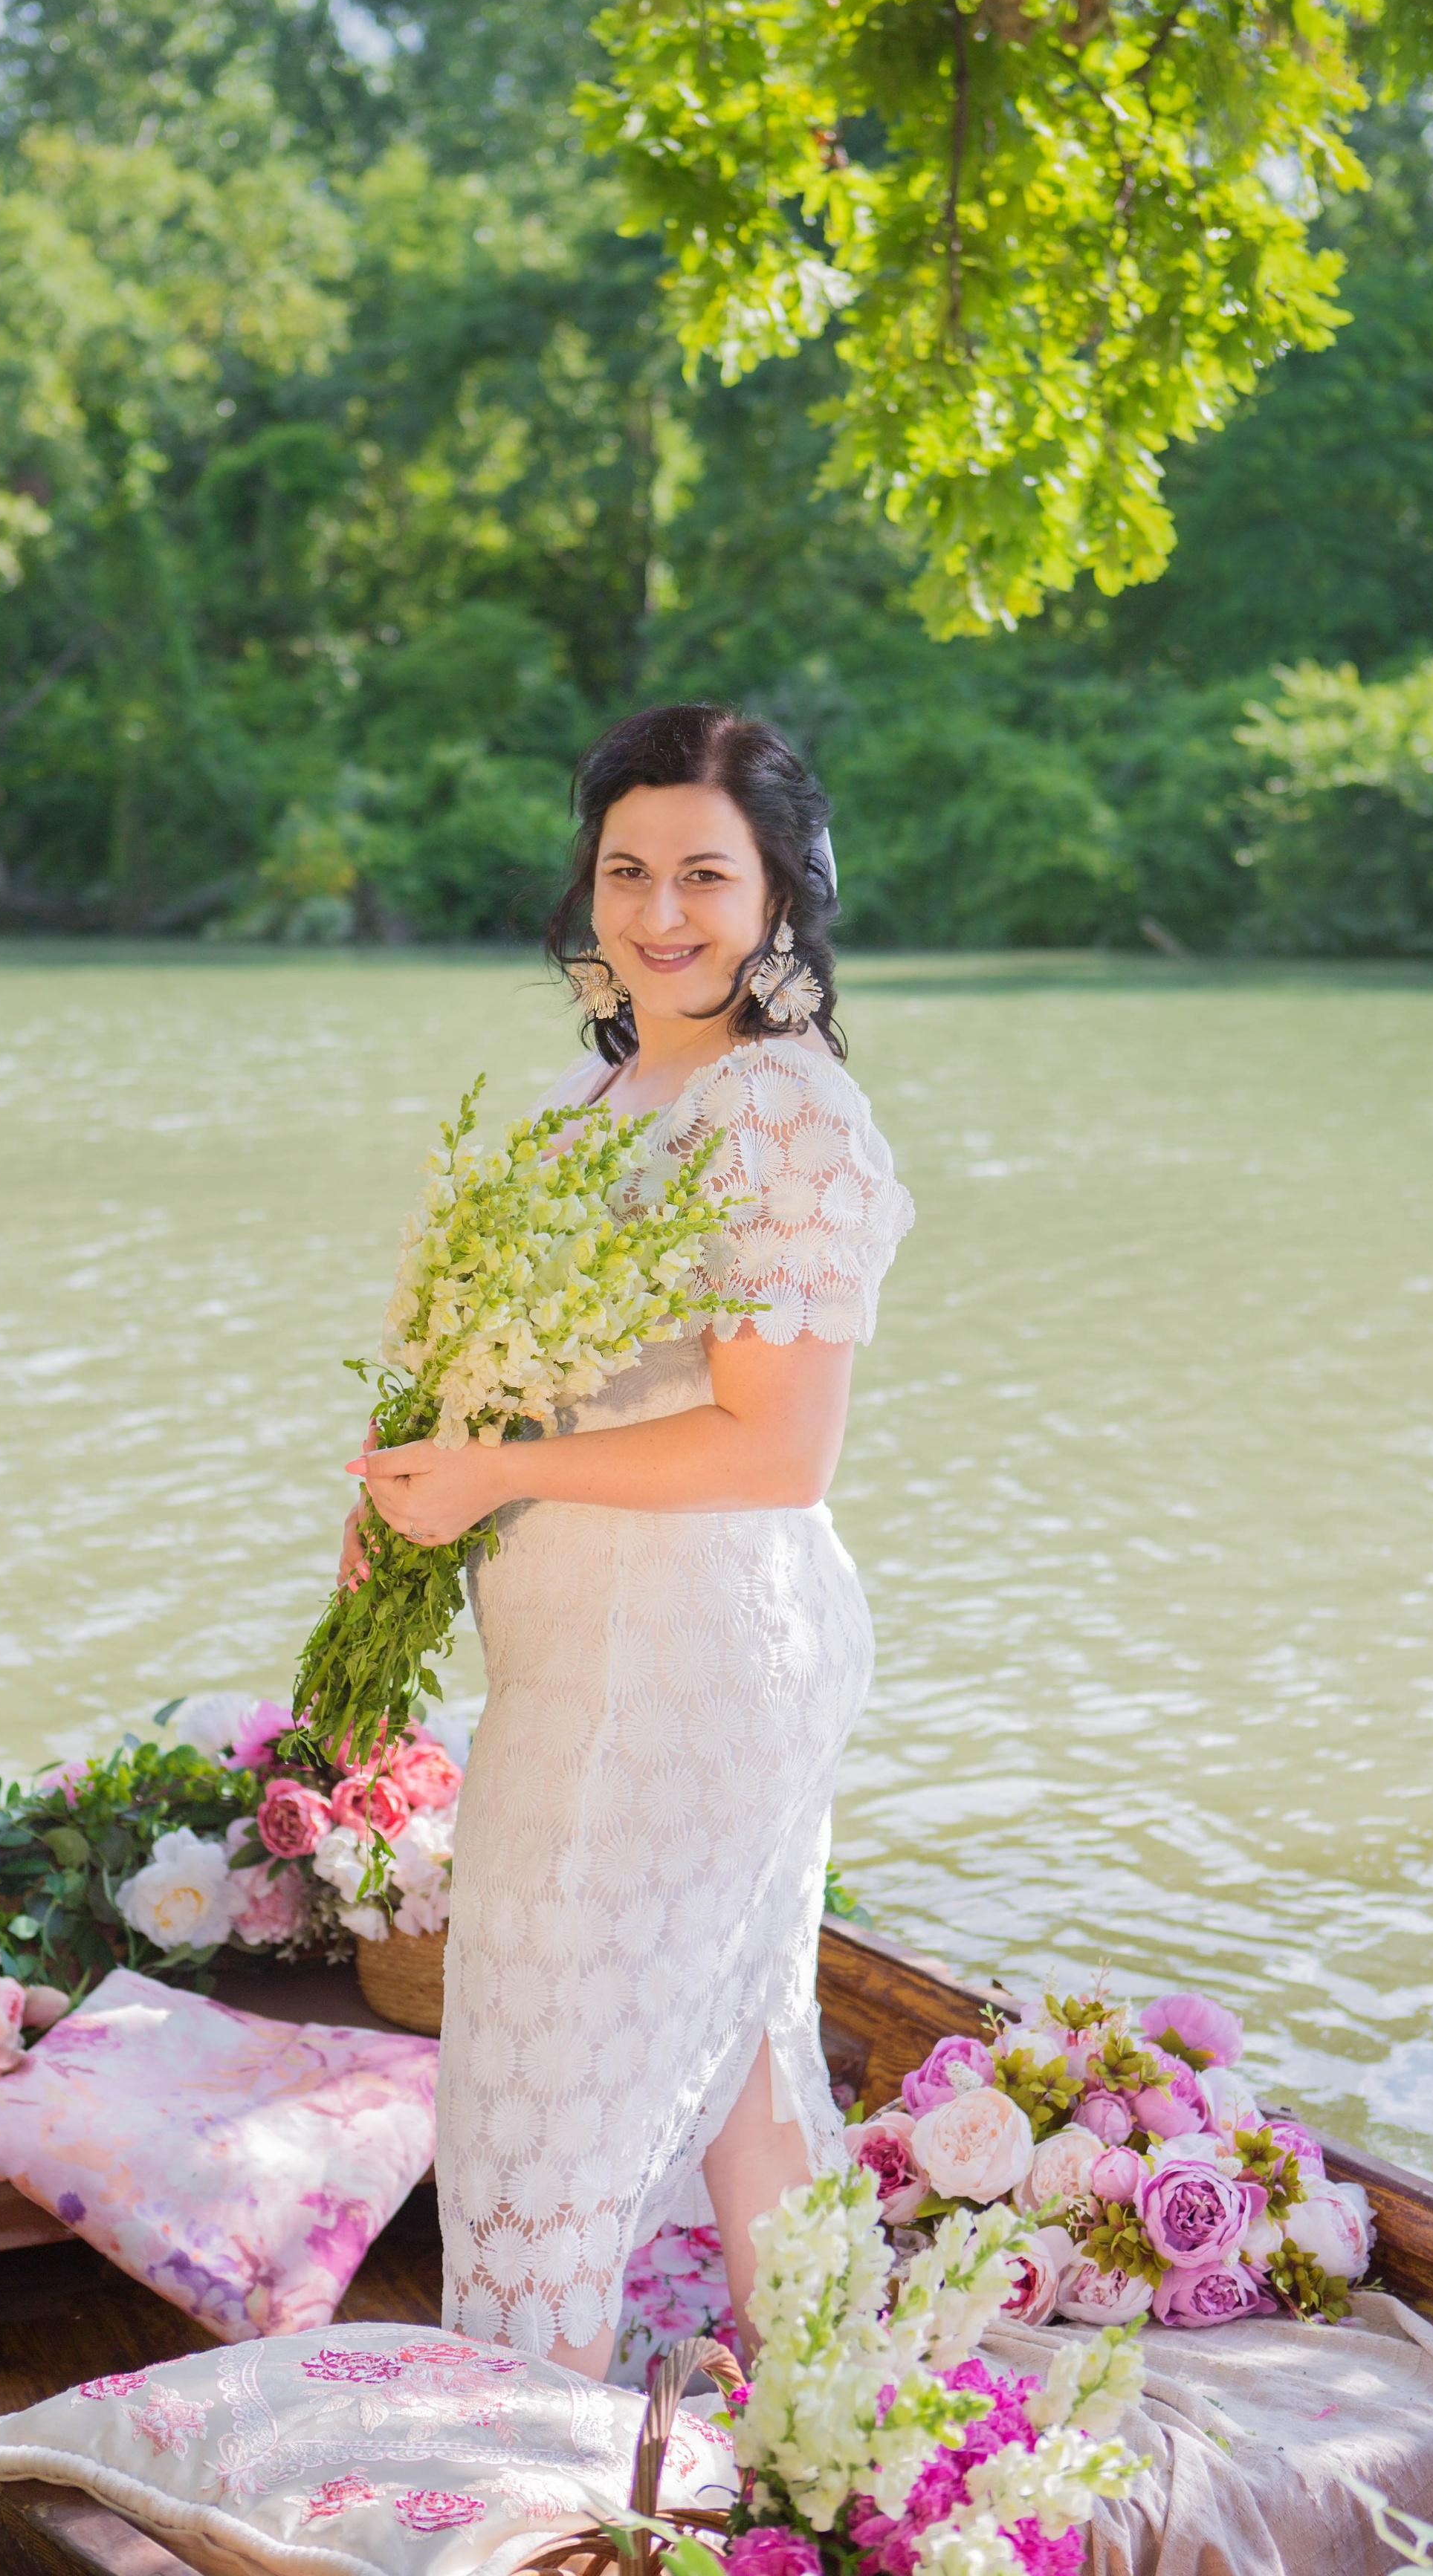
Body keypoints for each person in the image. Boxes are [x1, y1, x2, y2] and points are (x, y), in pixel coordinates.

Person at [343, 702, 913, 2373]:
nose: (660, 912)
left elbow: (777, 1450)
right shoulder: (585, 1101)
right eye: (626, 870)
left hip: (692, 1650)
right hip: (577, 1638)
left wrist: (502, 1473)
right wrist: (389, 1517)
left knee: (539, 2064)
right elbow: (461, 1364)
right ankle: (833, 2417)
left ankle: (521, 2476)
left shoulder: (780, 1114)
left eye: (704, 875)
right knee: (736, 2035)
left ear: (784, 894)